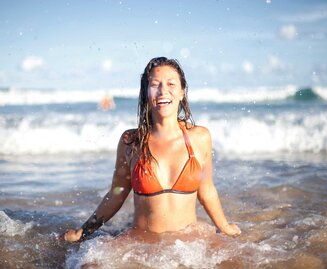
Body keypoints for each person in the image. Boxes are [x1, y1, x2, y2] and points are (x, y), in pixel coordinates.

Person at [63, 57, 241, 242]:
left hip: (188, 245)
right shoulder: (131, 142)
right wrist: (83, 231)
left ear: (181, 92)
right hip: (141, 245)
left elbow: (207, 191)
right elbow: (117, 193)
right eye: (155, 84)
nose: (163, 91)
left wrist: (224, 227)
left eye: (171, 84)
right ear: (146, 94)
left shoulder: (200, 138)